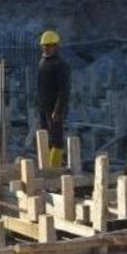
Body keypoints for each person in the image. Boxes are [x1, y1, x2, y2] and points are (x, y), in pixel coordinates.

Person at [37, 30, 70, 168]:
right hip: (43, 107)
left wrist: (58, 110)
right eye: (44, 45)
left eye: (50, 45)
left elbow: (64, 91)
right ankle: (46, 166)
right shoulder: (42, 63)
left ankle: (54, 168)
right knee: (45, 137)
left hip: (54, 109)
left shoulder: (61, 65)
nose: (46, 48)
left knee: (56, 140)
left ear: (56, 46)